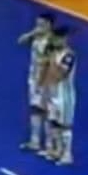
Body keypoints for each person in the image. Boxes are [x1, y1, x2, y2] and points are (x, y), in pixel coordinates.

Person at [18, 13, 54, 153]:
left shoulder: (51, 42)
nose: (39, 27)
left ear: (49, 25)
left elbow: (50, 63)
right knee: (35, 109)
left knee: (46, 111)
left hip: (44, 80)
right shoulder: (37, 37)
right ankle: (35, 141)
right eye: (37, 24)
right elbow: (21, 41)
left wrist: (41, 82)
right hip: (33, 78)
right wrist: (33, 33)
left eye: (42, 24)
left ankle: (50, 145)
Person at [44, 25, 77, 165]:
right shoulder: (54, 53)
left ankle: (68, 155)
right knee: (53, 122)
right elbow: (48, 72)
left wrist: (51, 62)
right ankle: (57, 150)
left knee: (65, 125)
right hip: (53, 93)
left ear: (64, 39)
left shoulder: (69, 55)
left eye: (58, 38)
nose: (55, 41)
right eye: (54, 38)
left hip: (65, 96)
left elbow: (60, 75)